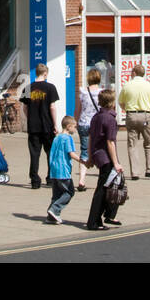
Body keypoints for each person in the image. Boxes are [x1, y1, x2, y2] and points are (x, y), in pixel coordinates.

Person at [84, 89, 124, 230]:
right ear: (112, 102)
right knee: (104, 189)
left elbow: (90, 139)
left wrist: (90, 157)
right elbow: (110, 142)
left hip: (98, 155)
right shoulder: (110, 119)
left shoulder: (96, 117)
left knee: (110, 186)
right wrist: (116, 163)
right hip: (106, 158)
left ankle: (107, 216)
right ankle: (93, 221)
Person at [118, 62, 150, 179]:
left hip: (131, 115)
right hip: (146, 115)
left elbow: (121, 102)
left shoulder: (127, 85)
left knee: (132, 144)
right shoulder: (149, 86)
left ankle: (135, 172)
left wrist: (126, 109)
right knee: (149, 143)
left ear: (134, 73)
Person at [21, 63, 60, 189]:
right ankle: (50, 179)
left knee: (34, 154)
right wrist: (55, 124)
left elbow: (25, 107)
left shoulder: (28, 88)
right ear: (45, 74)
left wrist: (30, 119)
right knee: (50, 153)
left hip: (33, 127)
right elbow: (52, 107)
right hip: (47, 126)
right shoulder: (50, 88)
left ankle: (34, 180)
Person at [46, 116, 82, 224]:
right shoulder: (68, 138)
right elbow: (70, 153)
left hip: (54, 170)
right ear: (68, 126)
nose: (75, 129)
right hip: (63, 170)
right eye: (74, 127)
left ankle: (51, 216)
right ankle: (54, 209)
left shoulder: (56, 138)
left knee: (56, 194)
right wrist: (82, 160)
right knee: (70, 191)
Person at [77, 68, 101, 190]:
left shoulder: (83, 92)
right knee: (100, 150)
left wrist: (76, 121)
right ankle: (104, 178)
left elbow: (78, 109)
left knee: (84, 151)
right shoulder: (102, 93)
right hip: (97, 124)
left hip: (84, 123)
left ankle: (81, 180)